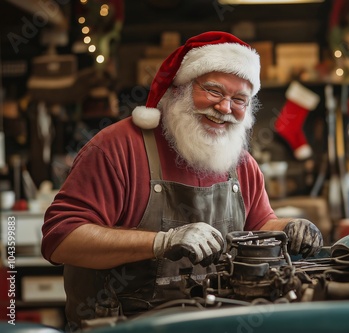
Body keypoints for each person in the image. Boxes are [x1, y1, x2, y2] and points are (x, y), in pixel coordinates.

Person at [41, 31, 323, 330]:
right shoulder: (116, 149)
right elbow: (62, 240)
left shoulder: (241, 165)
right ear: (180, 89)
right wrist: (162, 242)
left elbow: (259, 226)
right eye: (213, 91)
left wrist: (290, 229)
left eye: (239, 100)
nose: (225, 108)